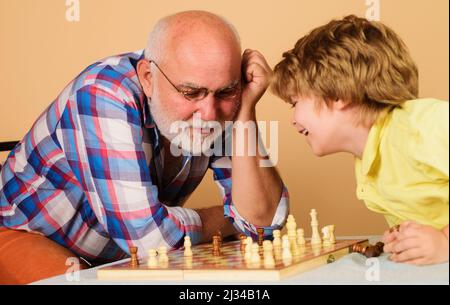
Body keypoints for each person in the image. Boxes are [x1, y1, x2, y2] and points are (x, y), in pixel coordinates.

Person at [0, 10, 288, 265]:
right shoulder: (103, 94)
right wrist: (229, 218)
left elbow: (266, 221)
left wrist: (245, 108)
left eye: (226, 91)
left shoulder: (221, 103)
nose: (209, 113)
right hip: (26, 235)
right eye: (190, 93)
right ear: (148, 78)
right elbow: (147, 239)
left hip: (120, 257)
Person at [271, 15, 448, 265]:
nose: (293, 120)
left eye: (295, 103)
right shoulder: (368, 163)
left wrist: (445, 242)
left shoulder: (421, 126)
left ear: (336, 95)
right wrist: (407, 238)